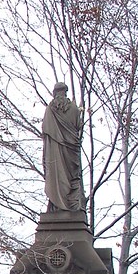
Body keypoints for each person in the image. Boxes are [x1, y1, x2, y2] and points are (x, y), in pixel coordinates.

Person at [42, 81, 86, 212]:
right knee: (72, 177)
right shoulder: (73, 108)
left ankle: (57, 205)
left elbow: (45, 130)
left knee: (57, 176)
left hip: (54, 150)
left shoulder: (50, 108)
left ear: (55, 93)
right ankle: (71, 204)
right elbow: (78, 126)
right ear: (65, 92)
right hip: (71, 151)